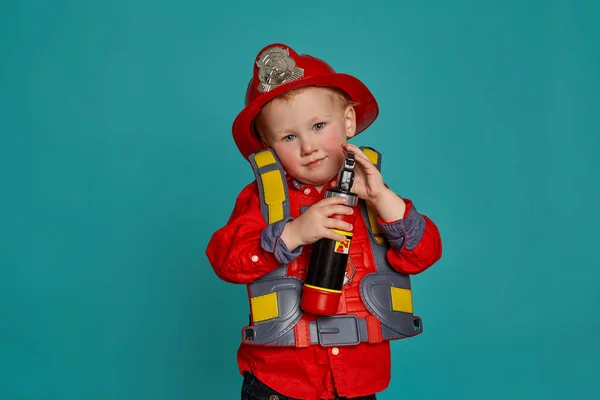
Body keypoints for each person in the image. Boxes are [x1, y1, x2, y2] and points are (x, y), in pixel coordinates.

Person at [206, 43, 443, 400]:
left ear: (348, 121)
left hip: (358, 382)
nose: (308, 147)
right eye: (289, 137)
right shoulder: (264, 199)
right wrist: (293, 233)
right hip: (280, 382)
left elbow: (423, 253)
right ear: (268, 148)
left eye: (318, 126)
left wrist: (381, 198)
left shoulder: (373, 192)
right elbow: (225, 260)